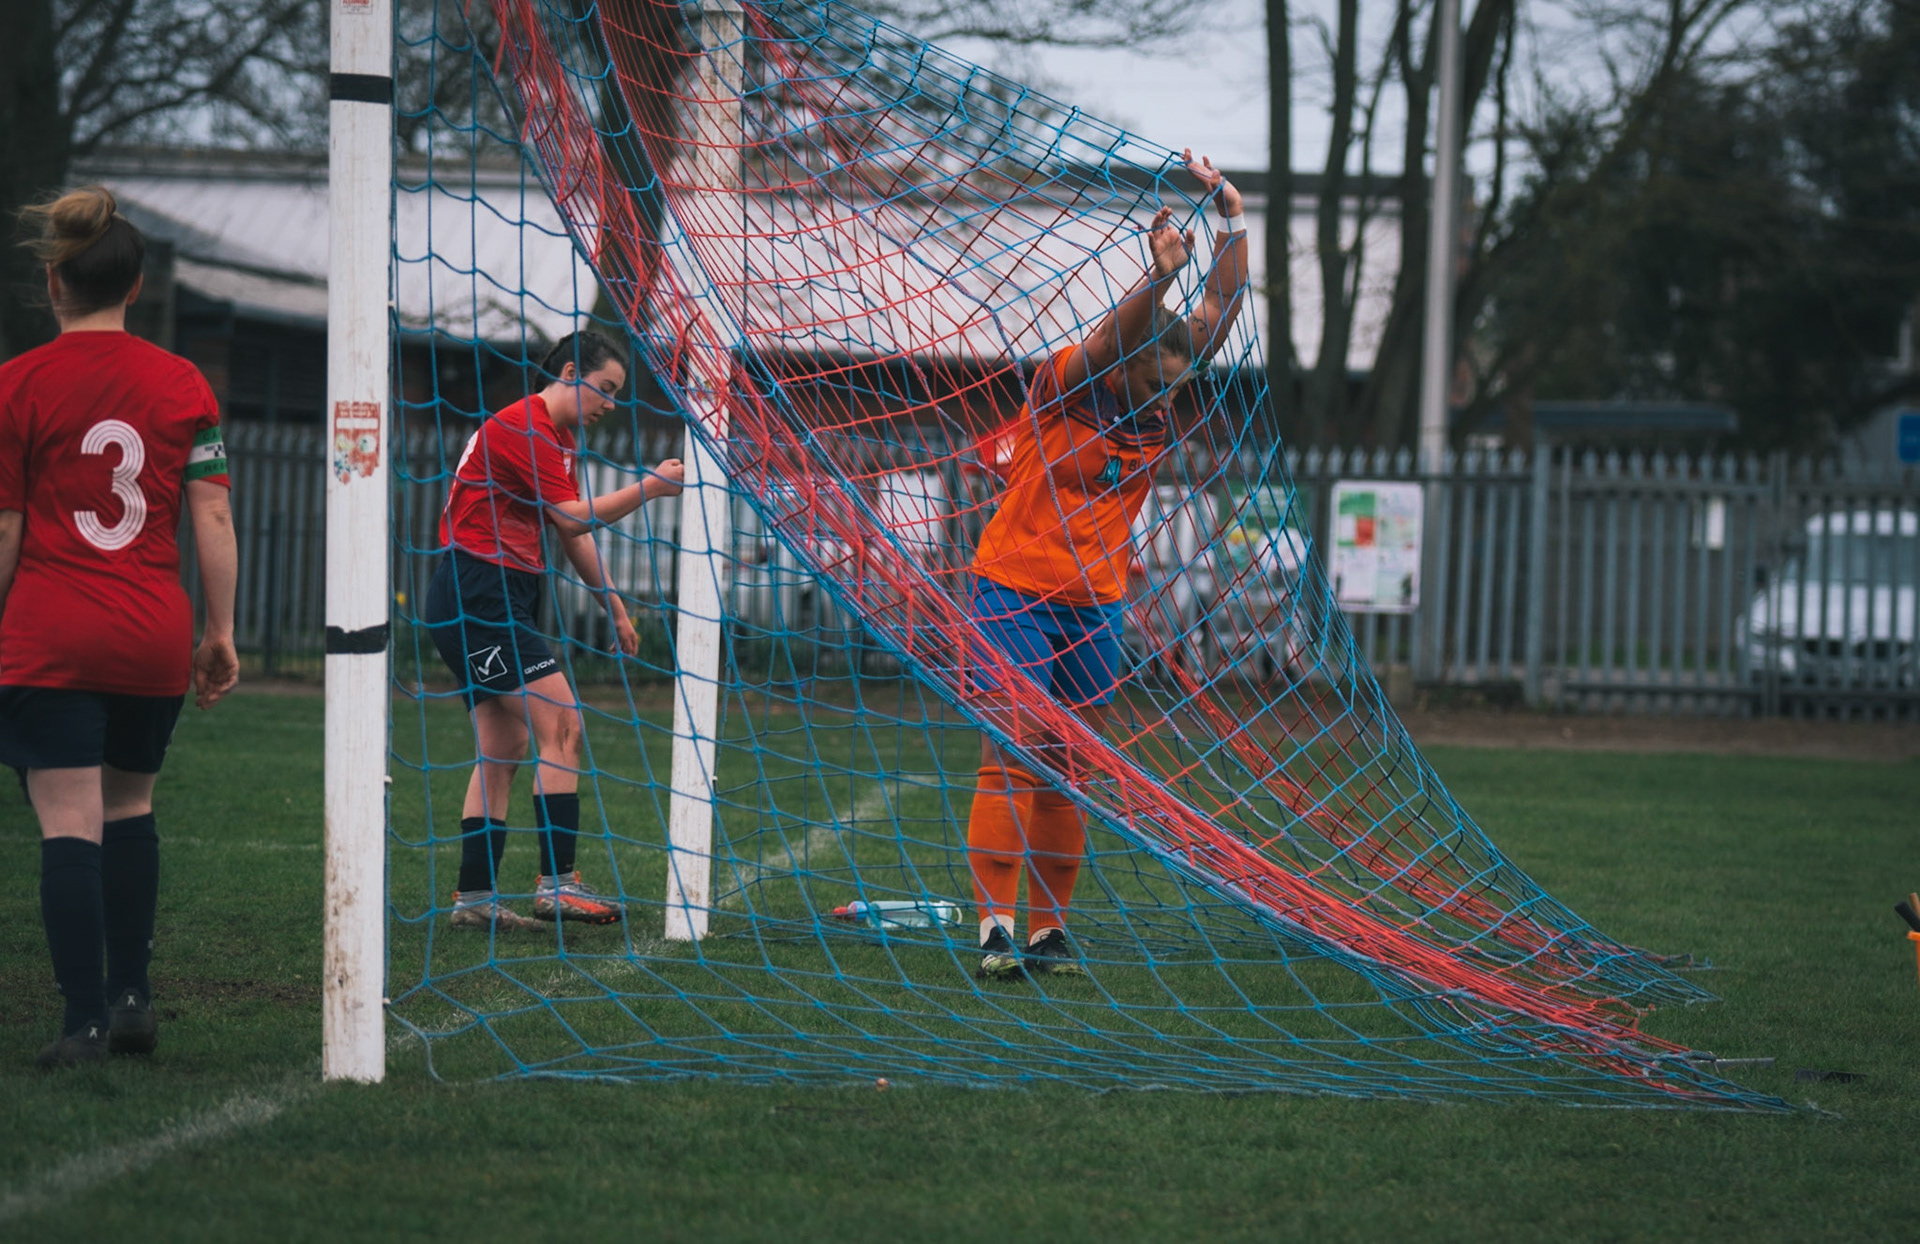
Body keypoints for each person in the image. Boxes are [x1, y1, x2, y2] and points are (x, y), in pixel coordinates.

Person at [964, 151, 1249, 979]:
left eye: (1176, 385)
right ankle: (994, 928)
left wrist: (1232, 214)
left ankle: (1050, 931)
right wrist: (1154, 279)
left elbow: (1223, 303)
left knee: (1069, 761)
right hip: (1012, 588)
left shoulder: (1164, 387)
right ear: (1125, 369)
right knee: (1011, 748)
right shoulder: (1064, 385)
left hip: (1095, 603)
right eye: (1154, 385)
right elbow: (1112, 338)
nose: (1167, 400)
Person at [0, 186, 240, 1066]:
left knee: (69, 819)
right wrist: (220, 632)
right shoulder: (182, 383)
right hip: (149, 633)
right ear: (135, 288)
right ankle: (132, 997)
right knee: (131, 804)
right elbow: (212, 519)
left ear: (55, 283)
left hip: (50, 631)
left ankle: (83, 1023)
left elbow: (6, 529)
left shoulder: (15, 385)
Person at [425, 330, 684, 930]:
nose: (611, 403)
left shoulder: (559, 438)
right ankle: (558, 886)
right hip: (478, 590)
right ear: (571, 371)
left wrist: (613, 604)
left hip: (499, 591)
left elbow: (568, 531)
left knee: (504, 746)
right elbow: (571, 516)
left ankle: (475, 901)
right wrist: (650, 485)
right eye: (607, 389)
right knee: (563, 724)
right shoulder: (525, 427)